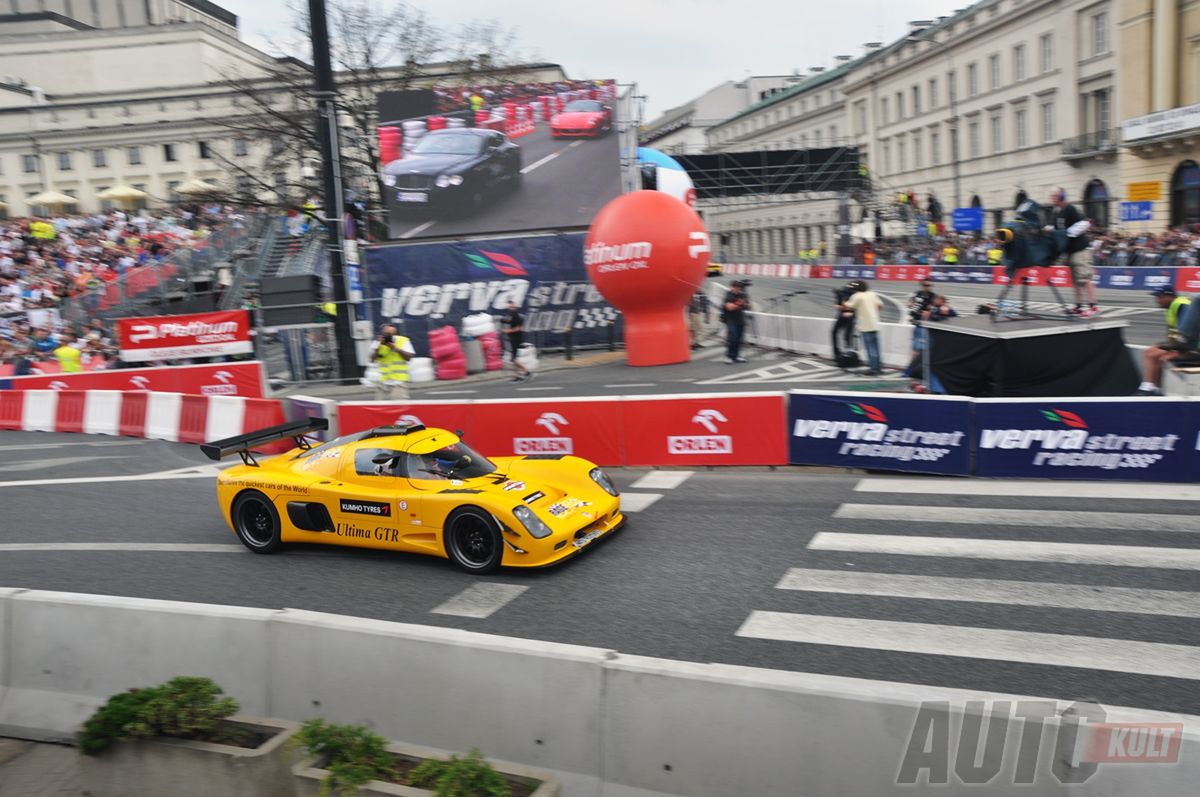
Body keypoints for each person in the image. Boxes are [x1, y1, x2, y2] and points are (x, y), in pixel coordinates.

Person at [1046, 188, 1095, 316]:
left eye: (1055, 196)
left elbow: (1085, 224)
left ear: (1062, 196)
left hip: (1081, 249)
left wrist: (1065, 234)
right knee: (1076, 281)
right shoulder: (1057, 213)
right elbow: (1054, 229)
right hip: (1071, 251)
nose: (1052, 198)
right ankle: (1078, 306)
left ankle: (1093, 307)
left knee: (1085, 278)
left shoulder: (1070, 209)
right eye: (1052, 196)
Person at [1137, 287, 1193, 395]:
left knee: (1153, 353)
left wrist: (1171, 348)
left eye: (1159, 297)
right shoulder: (1172, 307)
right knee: (1153, 351)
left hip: (1191, 348)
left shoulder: (1181, 305)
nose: (1157, 300)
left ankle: (1148, 389)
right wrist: (1167, 345)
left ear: (1169, 296)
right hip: (1183, 345)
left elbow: (1188, 333)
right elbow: (1175, 334)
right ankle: (1152, 388)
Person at [840, 280, 884, 375]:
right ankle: (879, 367)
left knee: (870, 349)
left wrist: (842, 299)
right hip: (875, 324)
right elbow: (881, 306)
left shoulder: (857, 296)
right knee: (876, 347)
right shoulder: (872, 294)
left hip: (865, 325)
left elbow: (847, 307)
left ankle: (873, 369)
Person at [370, 323, 413, 400]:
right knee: (379, 409)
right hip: (382, 383)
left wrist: (396, 348)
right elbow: (372, 359)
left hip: (398, 383)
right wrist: (378, 348)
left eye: (391, 334)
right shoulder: (377, 342)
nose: (388, 336)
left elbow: (408, 357)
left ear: (396, 334)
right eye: (386, 334)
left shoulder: (403, 340)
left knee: (399, 408)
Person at [906, 279, 936, 375]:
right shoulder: (916, 294)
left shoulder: (933, 296)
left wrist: (928, 312)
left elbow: (933, 310)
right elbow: (909, 306)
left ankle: (920, 369)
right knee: (915, 348)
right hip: (917, 325)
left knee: (925, 349)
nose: (927, 287)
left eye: (929, 285)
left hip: (927, 326)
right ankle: (912, 369)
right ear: (922, 285)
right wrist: (912, 305)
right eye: (925, 285)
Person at [500, 301, 532, 381]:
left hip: (516, 339)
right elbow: (506, 320)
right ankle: (517, 376)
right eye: (510, 307)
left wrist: (509, 331)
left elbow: (519, 328)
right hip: (512, 339)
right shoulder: (511, 315)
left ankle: (527, 372)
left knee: (513, 359)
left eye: (512, 307)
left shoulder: (516, 316)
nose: (511, 309)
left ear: (516, 307)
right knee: (513, 359)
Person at [721, 280, 751, 363]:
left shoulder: (742, 294)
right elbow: (729, 307)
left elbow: (748, 306)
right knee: (732, 339)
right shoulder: (729, 295)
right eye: (736, 287)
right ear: (732, 287)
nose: (737, 289)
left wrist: (742, 304)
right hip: (731, 320)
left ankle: (736, 356)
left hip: (740, 319)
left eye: (739, 288)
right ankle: (729, 356)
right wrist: (739, 304)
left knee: (739, 339)